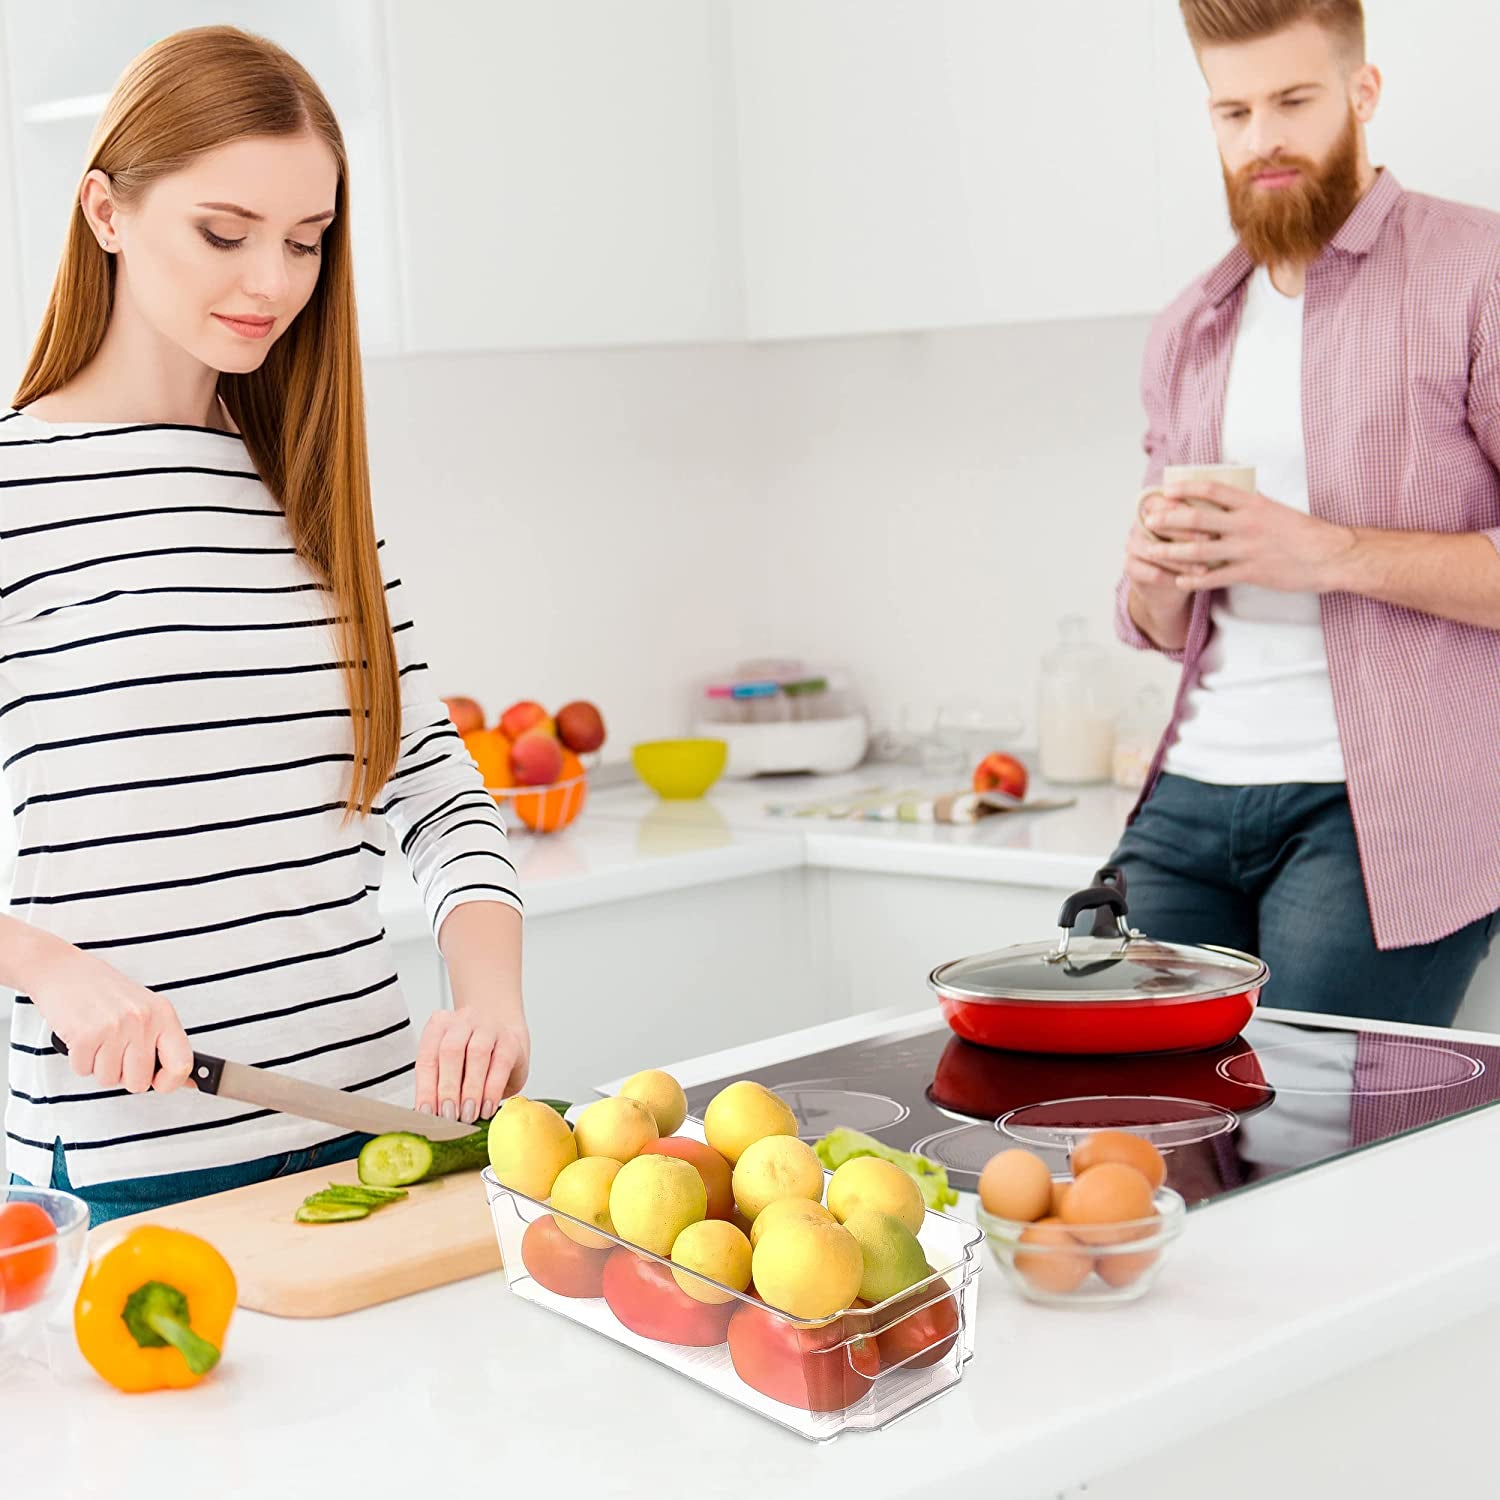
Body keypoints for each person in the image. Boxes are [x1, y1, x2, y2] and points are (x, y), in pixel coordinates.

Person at [2, 27, 526, 1225]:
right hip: (130, 1166)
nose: (271, 284)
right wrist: (42, 963)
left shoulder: (311, 496)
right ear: (107, 213)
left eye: (305, 242)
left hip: (374, 1140)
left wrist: (486, 992)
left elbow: (437, 796)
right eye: (224, 234)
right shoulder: (13, 489)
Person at [1111, 0, 1500, 1026]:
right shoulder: (1190, 324)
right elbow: (1158, 627)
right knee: (1134, 1139)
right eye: (1233, 111)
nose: (1262, 138)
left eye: (1292, 100)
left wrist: (1325, 552)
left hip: (1380, 814)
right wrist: (1153, 577)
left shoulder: (1476, 273)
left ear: (1361, 93)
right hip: (1189, 794)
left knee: (1317, 1150)